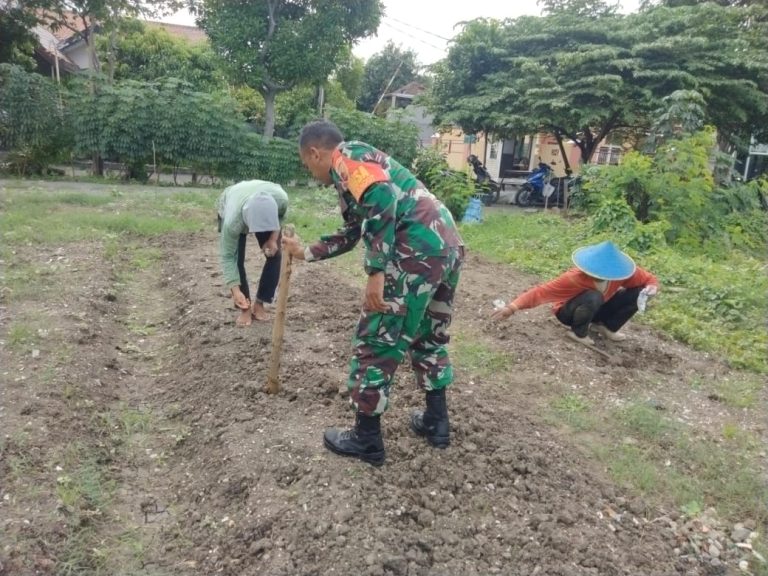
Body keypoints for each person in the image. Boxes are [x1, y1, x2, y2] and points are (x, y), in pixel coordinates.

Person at [282, 120, 464, 466]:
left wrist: (377, 271)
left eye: (308, 164)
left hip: (415, 251)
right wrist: (305, 252)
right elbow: (354, 229)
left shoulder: (346, 158)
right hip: (446, 245)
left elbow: (381, 199)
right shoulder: (360, 166)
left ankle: (366, 439)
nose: (311, 171)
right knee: (429, 335)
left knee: (376, 342)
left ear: (315, 153)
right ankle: (436, 422)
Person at [491, 240, 659, 344]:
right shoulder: (574, 278)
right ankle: (578, 332)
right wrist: (511, 308)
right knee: (594, 296)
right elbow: (540, 292)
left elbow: (648, 279)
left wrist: (652, 287)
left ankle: (606, 326)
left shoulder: (620, 272)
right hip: (569, 312)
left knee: (638, 292)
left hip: (599, 308)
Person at [217, 180, 288, 326]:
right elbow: (228, 256)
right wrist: (235, 291)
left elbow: (280, 217)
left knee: (274, 254)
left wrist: (273, 239)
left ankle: (260, 303)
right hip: (233, 200)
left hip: (264, 202)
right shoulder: (232, 222)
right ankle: (244, 307)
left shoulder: (281, 200)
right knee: (237, 260)